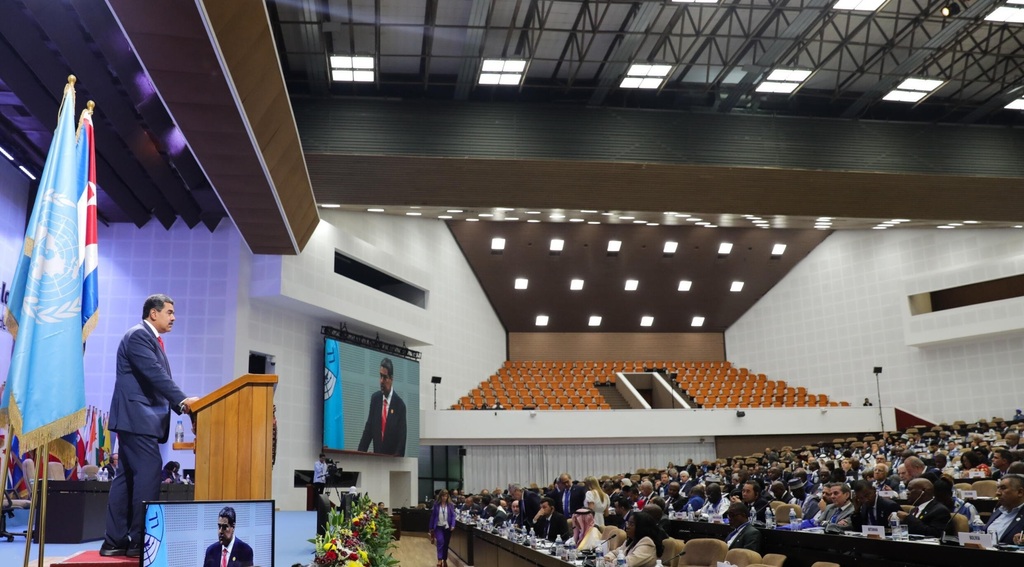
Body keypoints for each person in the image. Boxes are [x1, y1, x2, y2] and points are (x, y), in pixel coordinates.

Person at [101, 295, 199, 558]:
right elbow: (156, 375)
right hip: (137, 420)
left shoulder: (149, 338)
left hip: (136, 421)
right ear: (153, 313)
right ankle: (138, 541)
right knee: (147, 476)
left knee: (126, 479)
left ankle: (115, 541)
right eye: (169, 312)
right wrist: (183, 401)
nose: (174, 317)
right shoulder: (139, 336)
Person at [357, 357, 407, 456]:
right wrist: (358, 456)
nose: (381, 381)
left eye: (385, 377)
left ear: (391, 379)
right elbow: (368, 431)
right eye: (380, 376)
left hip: (391, 462)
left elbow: (401, 443)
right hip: (376, 461)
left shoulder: (400, 406)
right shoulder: (375, 399)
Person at [988, 474, 1024, 544]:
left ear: (1020, 492)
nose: (997, 493)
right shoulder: (998, 510)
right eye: (998, 488)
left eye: (1003, 488)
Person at [429, 489, 456, 567]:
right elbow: (433, 516)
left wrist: (453, 525)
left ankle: (444, 559)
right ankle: (439, 559)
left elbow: (453, 516)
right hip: (438, 527)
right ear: (440, 496)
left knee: (446, 544)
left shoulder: (450, 505)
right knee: (440, 541)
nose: (444, 498)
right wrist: (431, 527)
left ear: (448, 497)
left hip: (447, 527)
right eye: (443, 496)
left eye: (446, 496)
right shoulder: (436, 505)